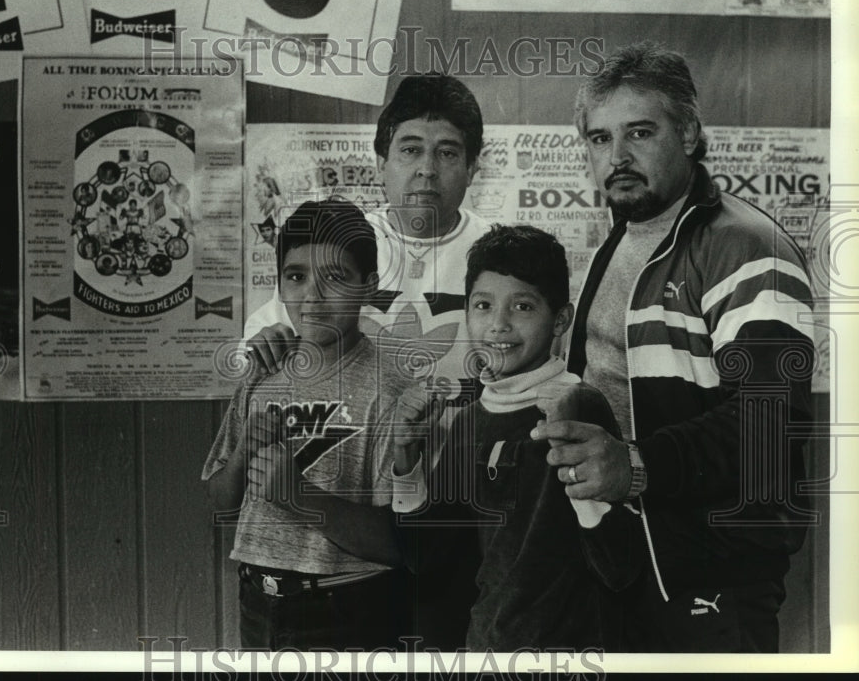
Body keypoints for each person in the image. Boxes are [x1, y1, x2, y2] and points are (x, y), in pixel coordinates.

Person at [533, 42, 814, 651]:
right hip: (624, 557)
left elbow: (770, 422)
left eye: (639, 132)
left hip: (711, 570)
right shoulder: (625, 236)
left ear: (688, 133)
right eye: (600, 139)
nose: (617, 157)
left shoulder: (745, 246)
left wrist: (634, 466)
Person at [241, 73, 491, 647]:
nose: (427, 169)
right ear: (381, 160)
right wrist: (269, 345)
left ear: (473, 168)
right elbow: (265, 339)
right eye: (410, 149)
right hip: (354, 517)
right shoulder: (344, 243)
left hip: (462, 508)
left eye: (447, 152)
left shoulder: (497, 251)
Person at [393, 225, 642, 650]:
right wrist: (406, 458)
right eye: (483, 305)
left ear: (560, 319)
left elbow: (619, 566)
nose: (498, 325)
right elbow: (426, 559)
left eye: (523, 306)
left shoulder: (580, 406)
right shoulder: (470, 420)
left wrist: (577, 476)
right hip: (486, 648)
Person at [202, 199, 416, 650]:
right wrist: (244, 455)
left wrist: (298, 496)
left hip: (349, 607)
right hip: (258, 600)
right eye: (296, 277)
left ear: (369, 286)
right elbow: (220, 501)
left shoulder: (391, 388)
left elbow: (398, 543)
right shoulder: (264, 369)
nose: (312, 296)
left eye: (335, 277)